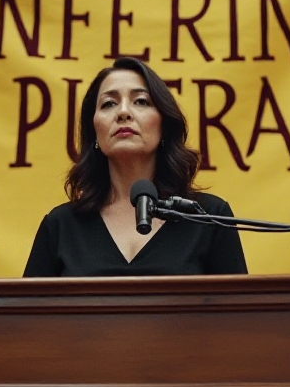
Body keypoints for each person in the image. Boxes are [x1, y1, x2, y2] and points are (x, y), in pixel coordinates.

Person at [23, 57, 248, 277]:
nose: (123, 112)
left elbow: (241, 313)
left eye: (141, 101)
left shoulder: (208, 217)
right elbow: (26, 314)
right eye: (109, 104)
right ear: (94, 133)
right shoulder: (60, 226)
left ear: (164, 125)